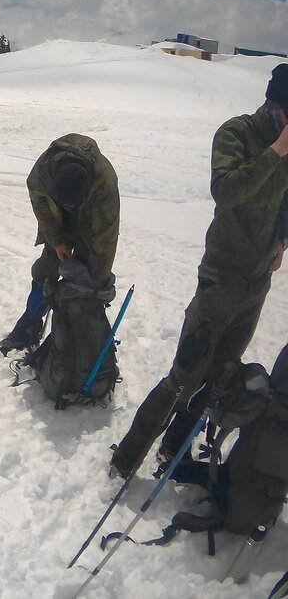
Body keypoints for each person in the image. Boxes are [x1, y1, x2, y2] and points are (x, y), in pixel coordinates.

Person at [110, 65, 288, 478]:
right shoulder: (236, 134)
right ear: (275, 106)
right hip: (221, 277)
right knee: (184, 376)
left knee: (219, 376)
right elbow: (226, 192)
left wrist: (281, 239)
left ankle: (175, 449)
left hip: (256, 280)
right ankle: (126, 459)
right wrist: (275, 151)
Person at [0, 134, 120, 353]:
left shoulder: (104, 184)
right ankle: (28, 328)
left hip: (90, 221)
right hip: (58, 217)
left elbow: (106, 237)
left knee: (86, 278)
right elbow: (42, 208)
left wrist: (97, 284)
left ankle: (75, 339)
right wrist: (57, 240)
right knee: (46, 270)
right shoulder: (42, 173)